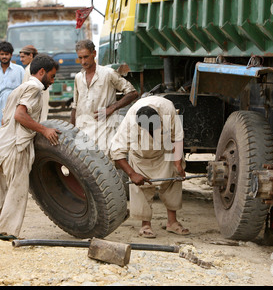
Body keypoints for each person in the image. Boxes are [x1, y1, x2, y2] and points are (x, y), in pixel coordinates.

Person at [0, 54, 61, 238]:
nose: (52, 81)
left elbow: (5, 118)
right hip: (16, 146)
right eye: (51, 76)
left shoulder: (20, 88)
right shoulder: (35, 89)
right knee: (16, 192)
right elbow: (20, 115)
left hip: (3, 145)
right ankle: (6, 233)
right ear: (41, 72)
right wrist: (44, 130)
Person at [109, 95, 190, 238]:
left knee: (173, 180)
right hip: (141, 156)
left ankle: (172, 222)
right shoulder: (130, 122)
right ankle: (145, 225)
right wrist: (132, 174)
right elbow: (116, 151)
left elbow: (177, 136)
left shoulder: (167, 108)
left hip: (165, 149)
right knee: (142, 188)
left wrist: (178, 164)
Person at [70, 39, 139, 155]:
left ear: (94, 54)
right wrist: (71, 130)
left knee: (105, 163)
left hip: (104, 128)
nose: (83, 61)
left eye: (86, 57)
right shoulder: (78, 77)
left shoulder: (108, 73)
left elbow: (132, 93)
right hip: (83, 129)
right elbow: (75, 106)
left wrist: (111, 109)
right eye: (80, 58)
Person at [20, 45, 50, 122]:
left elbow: (25, 90)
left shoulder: (30, 69)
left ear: (30, 55)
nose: (21, 59)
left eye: (23, 57)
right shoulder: (40, 68)